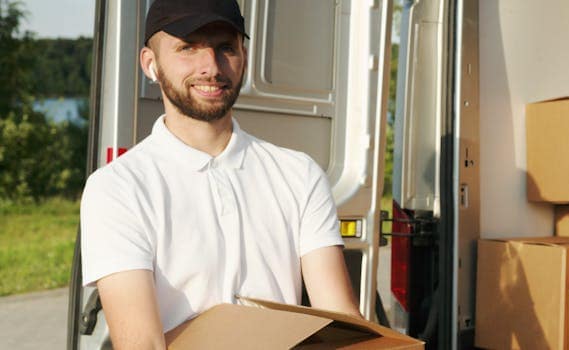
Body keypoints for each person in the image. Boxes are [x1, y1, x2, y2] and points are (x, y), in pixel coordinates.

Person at [79, 0, 361, 348]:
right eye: (188, 48)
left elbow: (341, 322)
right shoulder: (118, 188)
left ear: (244, 56)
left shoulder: (299, 174)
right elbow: (142, 344)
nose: (211, 67)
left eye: (225, 47)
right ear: (150, 64)